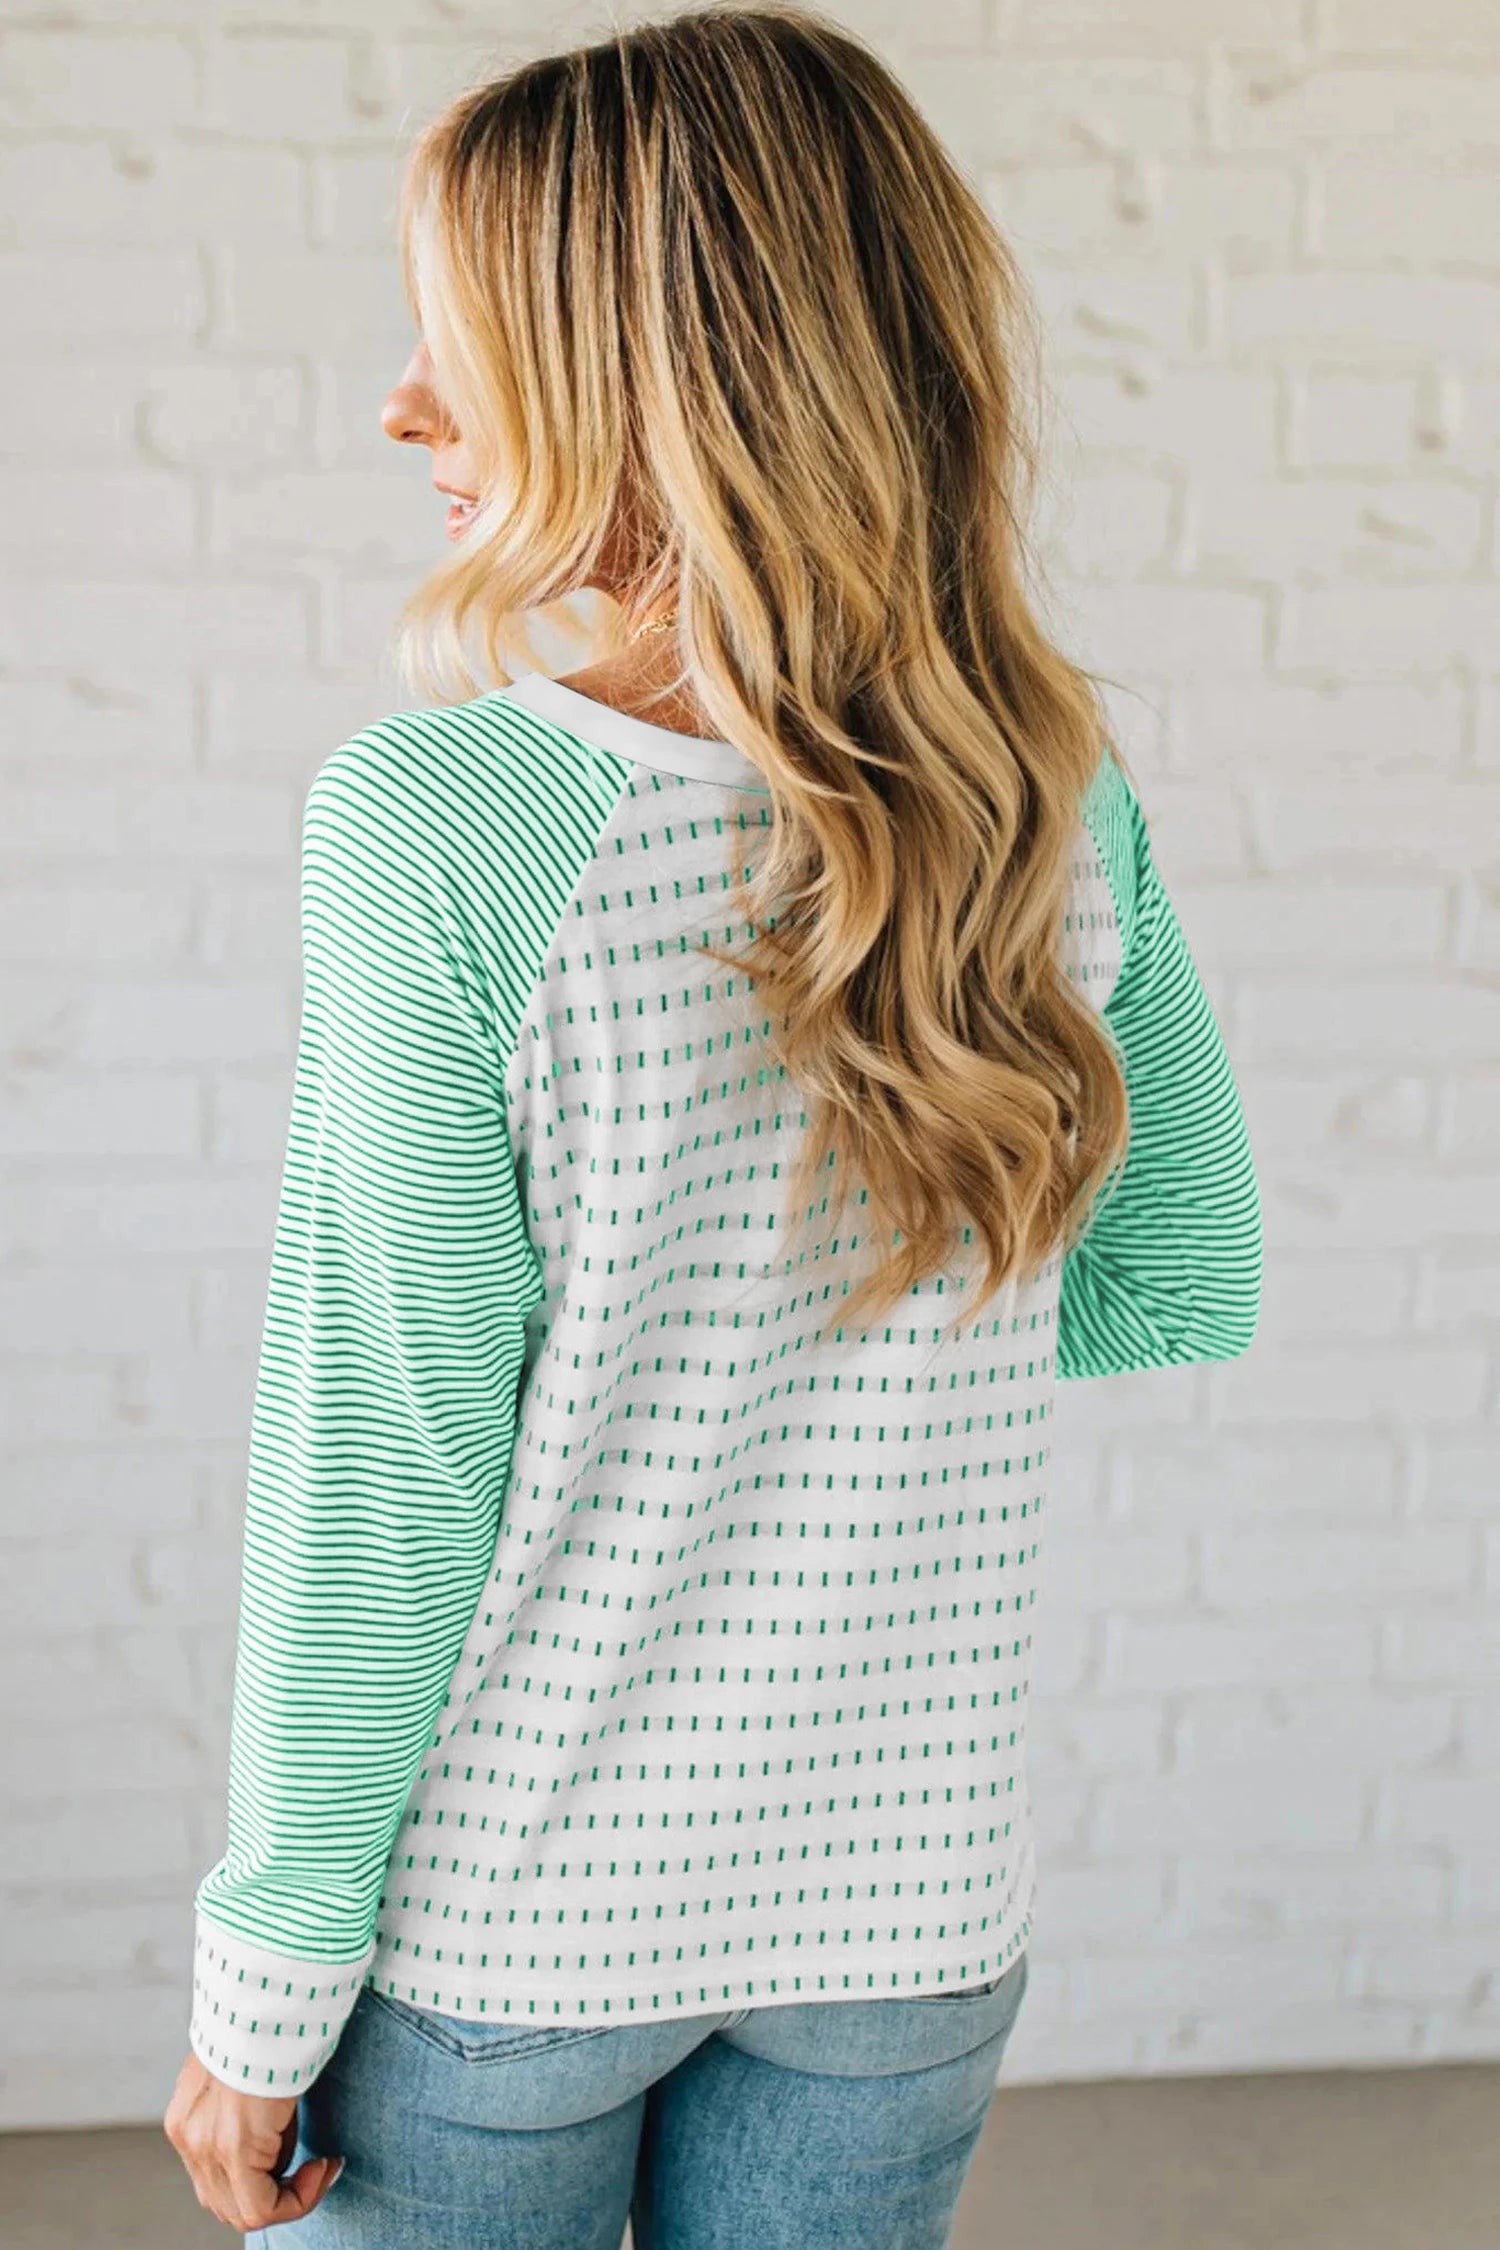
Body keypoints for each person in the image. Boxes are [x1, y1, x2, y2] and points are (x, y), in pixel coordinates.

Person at [163, 5, 1262, 2243]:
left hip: (516, 1931)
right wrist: (850, 1375)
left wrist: (262, 1983)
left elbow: (387, 1458)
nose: (403, 406)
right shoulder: (1052, 804)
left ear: (654, 383)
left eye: (464, 342)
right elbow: (1184, 1274)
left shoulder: (444, 822)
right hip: (906, 1919)